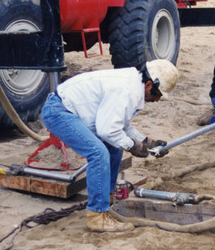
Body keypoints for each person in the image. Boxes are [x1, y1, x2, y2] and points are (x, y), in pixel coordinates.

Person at [41, 59, 179, 233]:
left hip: (68, 109)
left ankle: (106, 197)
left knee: (113, 148)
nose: (157, 100)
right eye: (157, 94)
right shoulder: (126, 90)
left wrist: (145, 141)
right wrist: (133, 146)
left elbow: (121, 124)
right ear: (149, 84)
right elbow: (108, 130)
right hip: (59, 112)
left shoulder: (132, 84)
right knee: (98, 153)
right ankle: (97, 216)